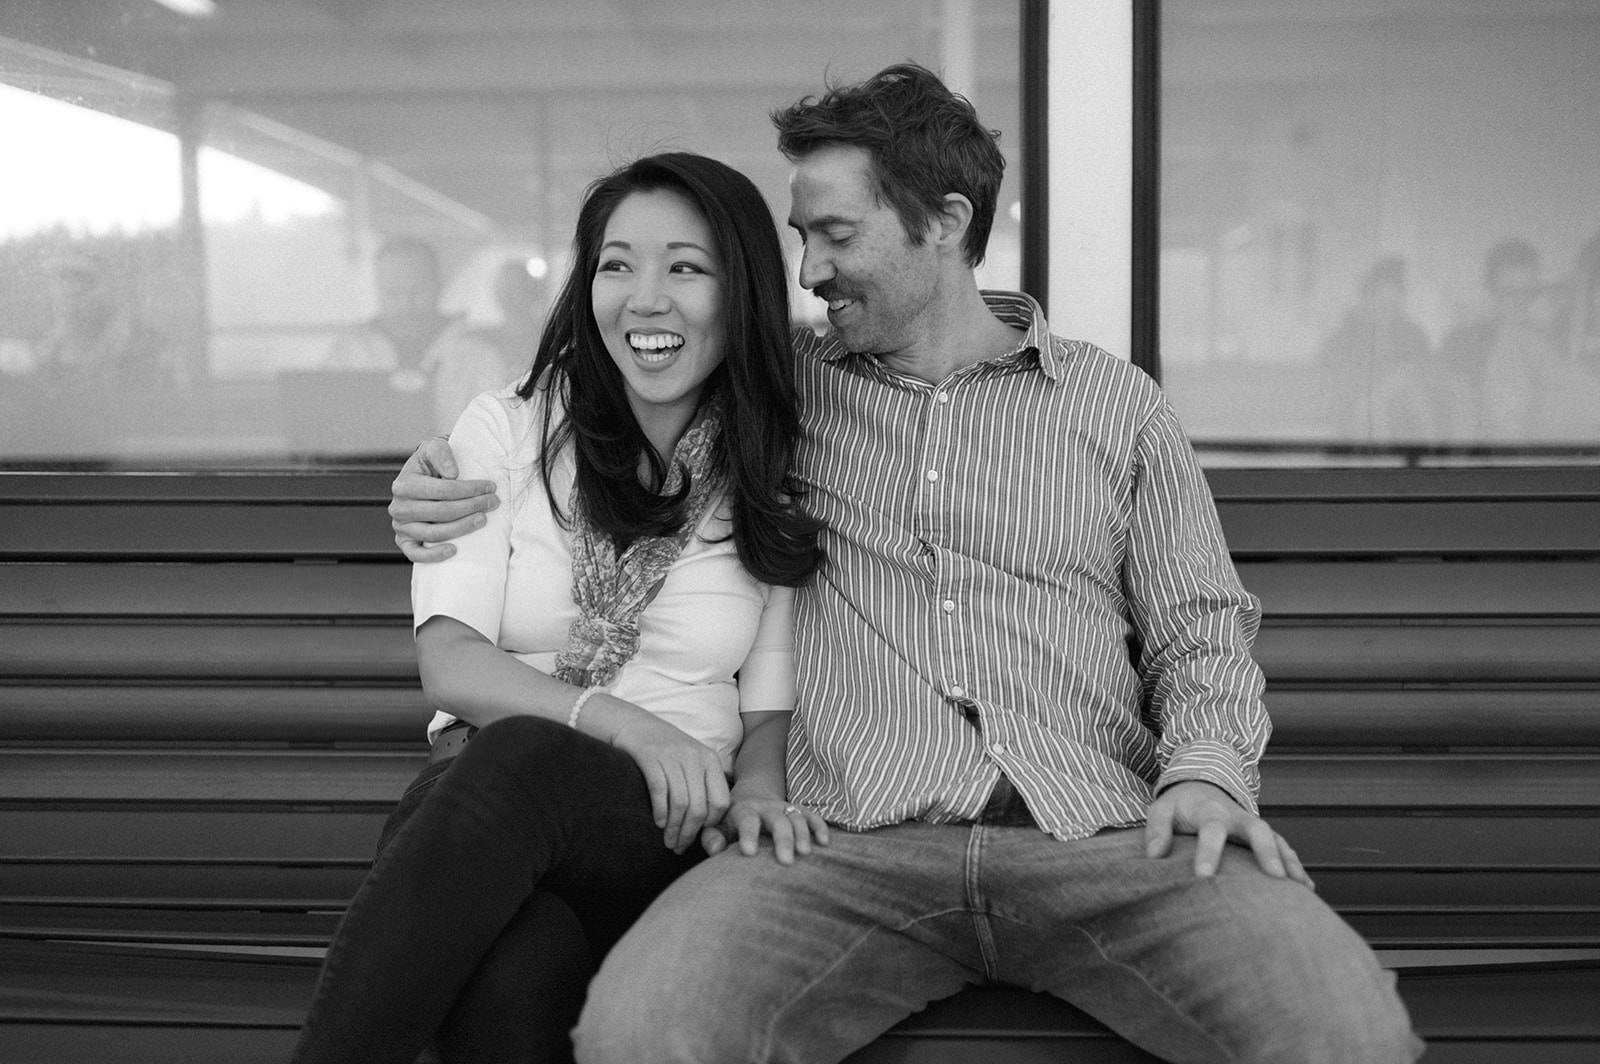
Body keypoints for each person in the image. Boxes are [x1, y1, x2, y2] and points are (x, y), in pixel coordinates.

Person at [390, 65, 1422, 1063]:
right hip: (838, 850)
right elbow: (590, 400)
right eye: (801, 237)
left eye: (836, 235)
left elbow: (1199, 628)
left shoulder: (1116, 407)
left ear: (947, 220)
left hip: (1104, 838)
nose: (807, 272)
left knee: (1345, 1031)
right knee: (644, 1029)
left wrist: (1206, 772)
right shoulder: (772, 391)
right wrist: (438, 478)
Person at [291, 152, 825, 1064]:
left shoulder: (774, 464)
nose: (644, 298)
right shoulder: (505, 431)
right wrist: (622, 721)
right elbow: (452, 663)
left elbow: (766, 700)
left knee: (526, 754)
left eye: (684, 268)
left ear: (740, 292)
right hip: (476, 804)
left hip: (661, 825)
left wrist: (758, 795)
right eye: (617, 265)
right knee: (515, 960)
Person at [324, 235, 509, 434]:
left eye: (418, 291)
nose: (406, 304)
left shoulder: (479, 357)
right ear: (378, 289)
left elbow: (492, 439)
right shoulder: (348, 353)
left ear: (439, 285)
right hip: (365, 466)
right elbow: (328, 425)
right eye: (394, 293)